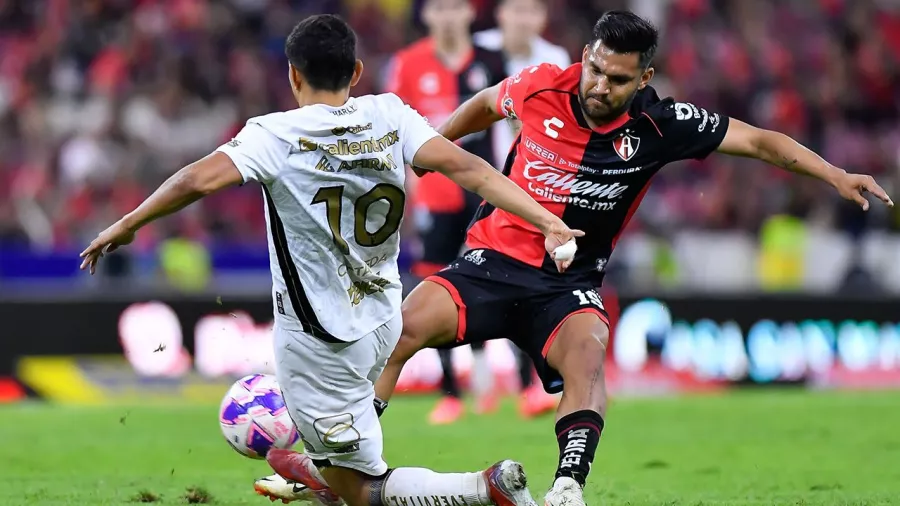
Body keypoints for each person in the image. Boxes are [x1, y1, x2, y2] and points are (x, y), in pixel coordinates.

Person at [365, 10, 890, 506]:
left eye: (617, 79)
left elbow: (758, 142)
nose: (599, 86)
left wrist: (835, 175)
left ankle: (568, 487)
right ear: (586, 55)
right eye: (595, 69)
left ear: (644, 78)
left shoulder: (662, 124)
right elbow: (485, 104)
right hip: (492, 263)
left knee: (590, 354)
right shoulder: (541, 83)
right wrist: (434, 149)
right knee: (400, 332)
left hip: (565, 287)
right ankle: (350, 461)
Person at [79, 14, 583, 506]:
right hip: (383, 320)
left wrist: (127, 224)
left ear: (293, 74)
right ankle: (318, 469)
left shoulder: (272, 134)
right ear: (357, 72)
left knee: (360, 490)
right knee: (337, 462)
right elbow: (468, 167)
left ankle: (486, 488)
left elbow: (196, 180)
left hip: (320, 339)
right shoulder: (391, 114)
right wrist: (547, 220)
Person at [384, 0, 508, 424]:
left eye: (457, 6)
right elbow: (394, 130)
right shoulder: (408, 64)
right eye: (441, 7)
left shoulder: (492, 61)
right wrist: (408, 189)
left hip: (483, 187)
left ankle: (505, 379)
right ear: (428, 16)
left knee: (494, 274)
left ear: (471, 14)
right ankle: (451, 391)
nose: (450, 15)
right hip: (435, 193)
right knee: (433, 284)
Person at [473, 0, 571, 419]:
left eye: (532, 11)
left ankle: (528, 382)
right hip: (475, 178)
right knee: (469, 272)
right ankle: (479, 382)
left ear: (542, 18)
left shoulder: (556, 60)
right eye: (517, 9)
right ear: (501, 15)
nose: (523, 18)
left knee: (525, 279)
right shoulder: (479, 52)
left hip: (529, 188)